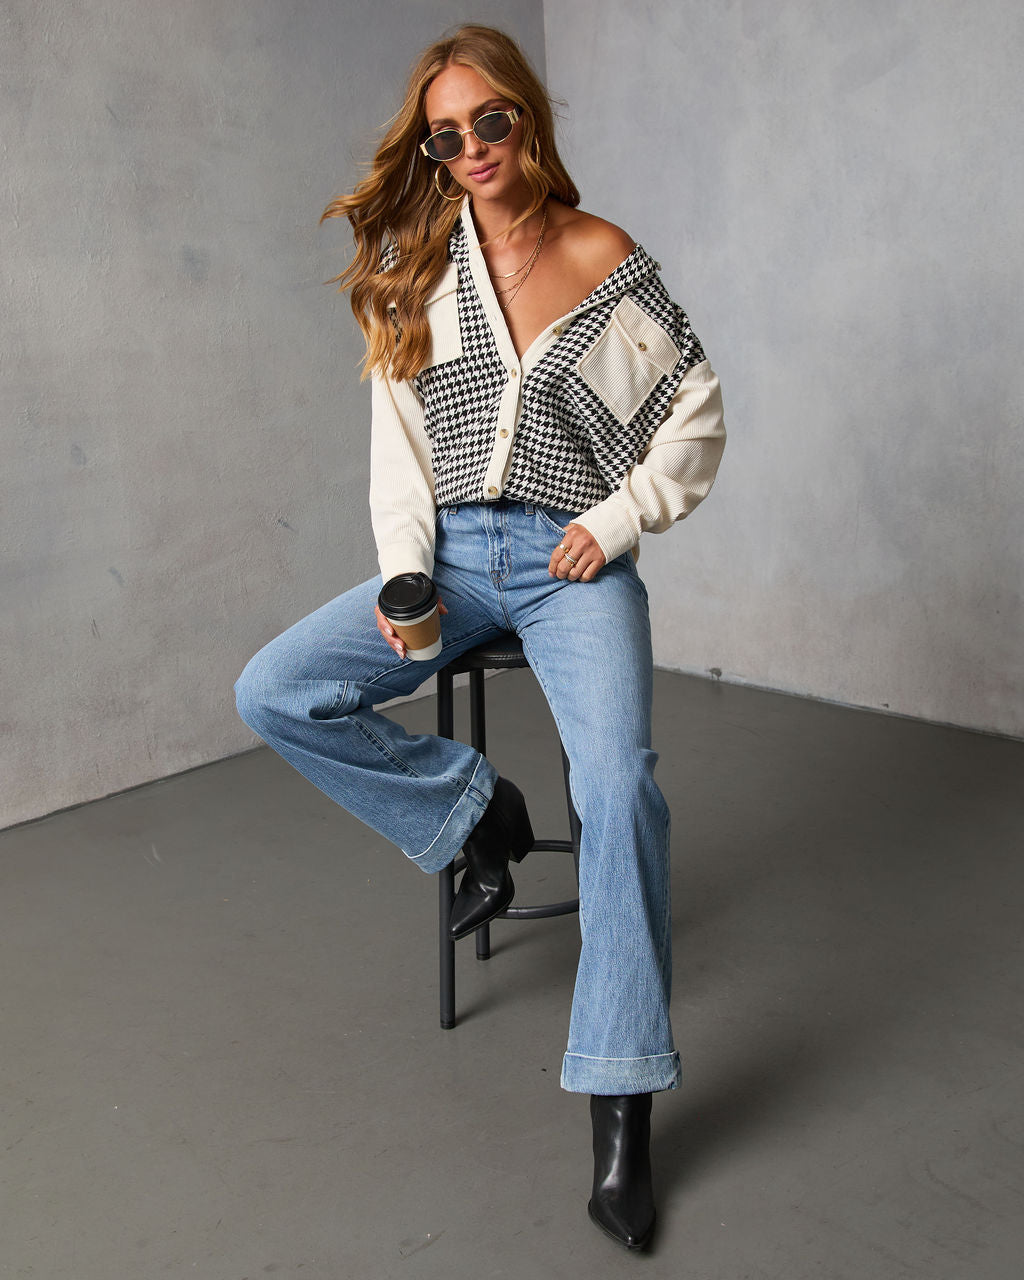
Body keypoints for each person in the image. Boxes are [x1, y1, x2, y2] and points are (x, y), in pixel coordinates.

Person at [235, 24, 725, 1251]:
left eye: (489, 121)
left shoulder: (599, 254)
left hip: (569, 562)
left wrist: (615, 520)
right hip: (450, 557)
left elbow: (695, 413)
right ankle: (477, 813)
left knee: (619, 785)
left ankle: (621, 1105)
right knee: (274, 688)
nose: (472, 149)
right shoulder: (420, 267)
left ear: (526, 117)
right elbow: (399, 451)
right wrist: (407, 573)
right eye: (446, 136)